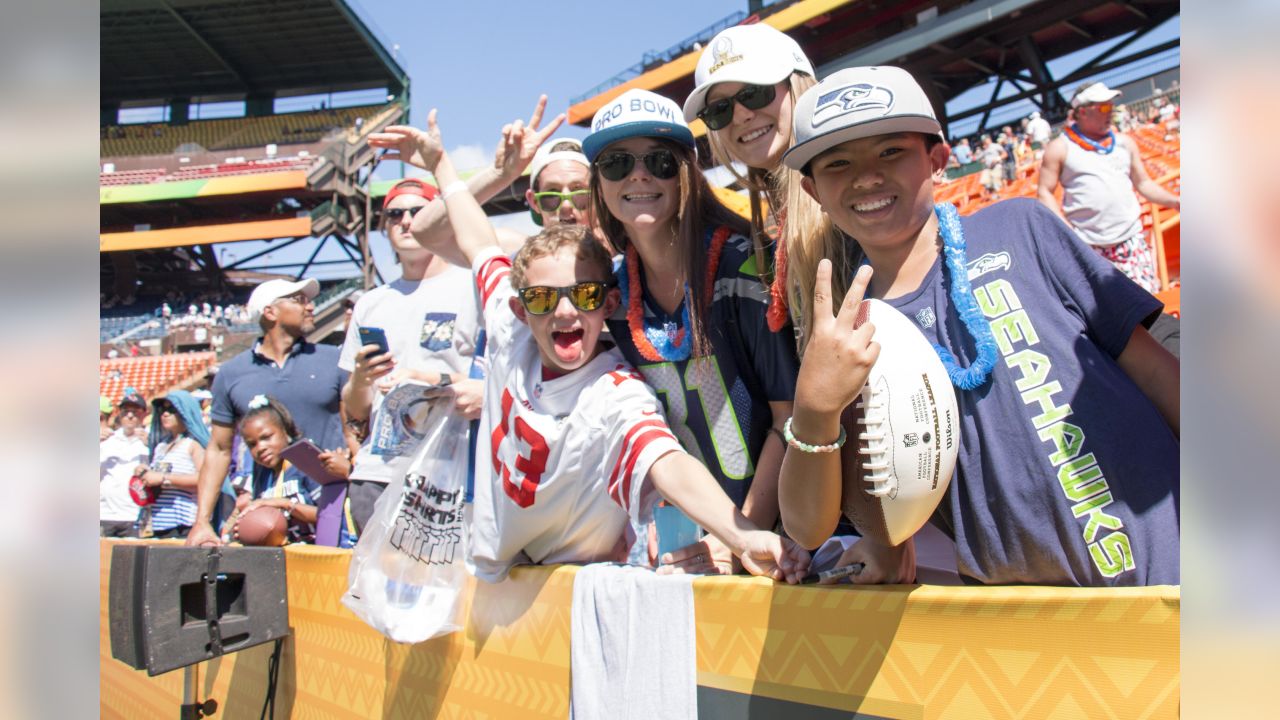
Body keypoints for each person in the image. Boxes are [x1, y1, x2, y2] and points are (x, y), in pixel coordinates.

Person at [776, 65, 1180, 586]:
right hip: (1030, 626)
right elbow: (808, 528)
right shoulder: (850, 332)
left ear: (938, 159)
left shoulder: (1022, 227)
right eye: (837, 163)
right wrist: (815, 407)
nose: (866, 176)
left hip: (1171, 561)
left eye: (891, 151)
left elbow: (1151, 369)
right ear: (812, 191)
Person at [408, 130, 809, 583]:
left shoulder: (614, 390)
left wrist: (742, 535)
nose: (563, 311)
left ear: (609, 302)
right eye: (542, 299)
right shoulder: (508, 323)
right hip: (488, 576)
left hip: (572, 586)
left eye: (583, 295)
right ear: (520, 307)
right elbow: (475, 239)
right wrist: (442, 165)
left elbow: (667, 462)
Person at [587, 89, 801, 572]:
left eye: (659, 160)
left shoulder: (745, 269)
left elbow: (789, 421)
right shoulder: (610, 299)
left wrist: (741, 536)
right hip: (686, 545)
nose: (638, 174)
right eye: (617, 163)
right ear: (599, 183)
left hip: (780, 543)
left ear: (686, 172)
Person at [331, 176, 482, 534]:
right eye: (395, 214)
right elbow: (355, 410)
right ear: (385, 228)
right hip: (376, 473)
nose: (406, 220)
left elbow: (498, 378)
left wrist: (431, 380)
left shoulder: (473, 287)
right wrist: (361, 379)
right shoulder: (370, 303)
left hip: (449, 468)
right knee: (374, 586)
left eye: (418, 211)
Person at [681, 22, 823, 333]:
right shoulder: (777, 222)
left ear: (799, 84)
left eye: (755, 93)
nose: (741, 115)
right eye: (719, 109)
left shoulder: (842, 195)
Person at [185, 277, 348, 547]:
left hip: (332, 516)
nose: (310, 307)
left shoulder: (335, 360)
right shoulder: (231, 374)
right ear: (270, 312)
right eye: (299, 300)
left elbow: (354, 428)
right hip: (269, 524)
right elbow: (219, 450)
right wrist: (202, 521)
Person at [1037, 81, 1181, 293]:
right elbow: (1044, 192)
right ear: (1083, 112)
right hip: (1090, 248)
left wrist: (1175, 201)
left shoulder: (1124, 143)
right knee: (1113, 318)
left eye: (1111, 105)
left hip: (1131, 240)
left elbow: (1143, 183)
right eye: (1103, 107)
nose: (1111, 111)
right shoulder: (1060, 148)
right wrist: (1069, 233)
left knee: (1149, 308)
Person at [224, 395, 322, 544]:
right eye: (252, 444)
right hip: (280, 562)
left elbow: (329, 516)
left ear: (285, 430)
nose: (260, 448)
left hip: (318, 557)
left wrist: (284, 504)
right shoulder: (262, 477)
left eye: (266, 437)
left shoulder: (307, 464)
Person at [137, 390, 208, 539]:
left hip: (184, 523)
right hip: (160, 523)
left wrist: (163, 478)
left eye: (171, 410)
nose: (165, 414)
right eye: (163, 410)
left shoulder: (194, 444)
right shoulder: (160, 446)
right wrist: (145, 473)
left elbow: (205, 480)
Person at [100, 390, 149, 537]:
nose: (130, 415)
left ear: (143, 414)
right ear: (119, 413)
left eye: (135, 411)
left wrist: (151, 445)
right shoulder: (107, 439)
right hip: (104, 513)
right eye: (126, 411)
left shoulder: (151, 441)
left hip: (134, 515)